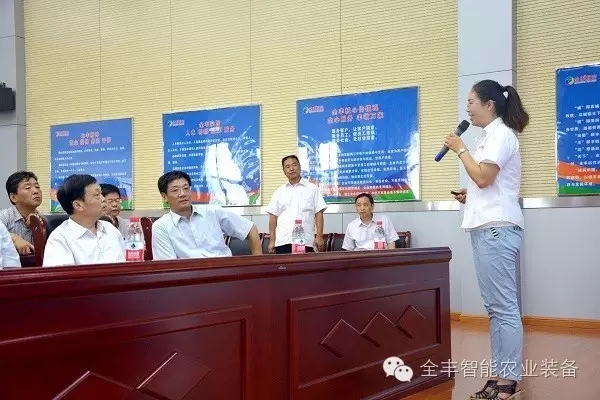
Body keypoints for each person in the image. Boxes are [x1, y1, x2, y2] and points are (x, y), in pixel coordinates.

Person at [445, 79, 529, 400]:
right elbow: (488, 185)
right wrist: (470, 195)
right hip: (487, 227)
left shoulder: (501, 134)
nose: (467, 108)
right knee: (495, 309)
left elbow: (482, 177)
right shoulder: (488, 137)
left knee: (504, 308)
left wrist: (460, 149)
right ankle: (498, 376)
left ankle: (507, 381)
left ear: (489, 104)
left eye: (471, 102)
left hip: (497, 230)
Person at [151, 170, 261, 259]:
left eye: (186, 188)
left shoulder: (212, 212)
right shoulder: (161, 226)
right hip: (190, 277)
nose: (183, 194)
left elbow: (250, 228)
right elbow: (168, 266)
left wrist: (258, 265)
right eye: (175, 190)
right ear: (164, 196)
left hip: (224, 272)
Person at [43, 174, 126, 267]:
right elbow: (62, 276)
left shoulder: (110, 229)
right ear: (78, 205)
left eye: (101, 194)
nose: (103, 199)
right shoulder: (59, 239)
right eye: (97, 195)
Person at [266, 155, 327, 253]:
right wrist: (272, 241)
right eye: (287, 166)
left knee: (303, 263)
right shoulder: (279, 191)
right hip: (283, 241)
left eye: (294, 165)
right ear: (284, 171)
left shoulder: (312, 189)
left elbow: (319, 213)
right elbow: (273, 217)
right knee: (284, 263)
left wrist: (319, 236)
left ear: (300, 167)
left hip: (305, 240)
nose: (291, 169)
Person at [0, 171, 43, 255]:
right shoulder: (5, 216)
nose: (36, 191)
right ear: (13, 197)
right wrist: (14, 238)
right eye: (28, 188)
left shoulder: (44, 220)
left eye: (37, 187)